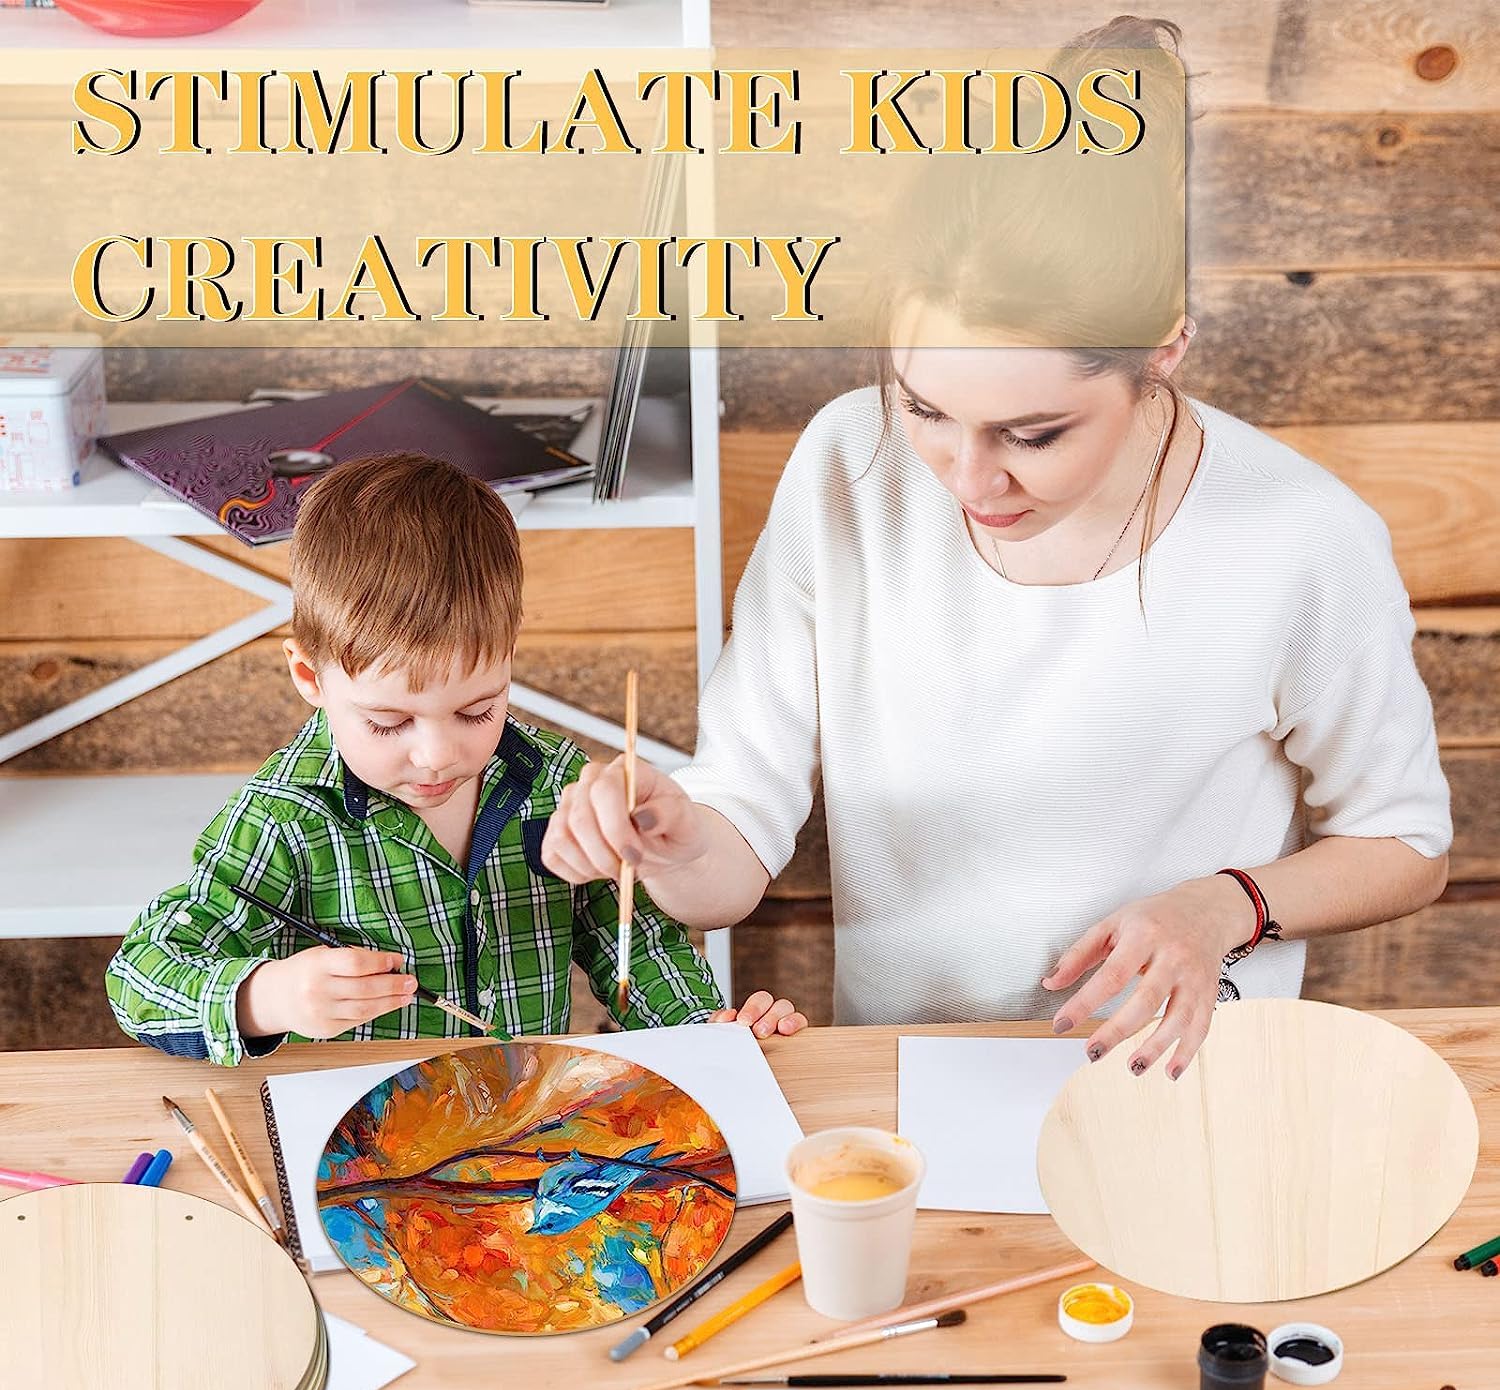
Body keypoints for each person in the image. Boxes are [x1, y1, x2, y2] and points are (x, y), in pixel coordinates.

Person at [539, 20, 1451, 1077]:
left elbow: (1406, 844)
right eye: (924, 407)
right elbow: (731, 852)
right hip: (909, 1083)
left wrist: (1225, 905)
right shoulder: (847, 464)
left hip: (1175, 1091)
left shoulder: (1302, 536)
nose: (967, 482)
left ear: (1165, 344)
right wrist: (670, 837)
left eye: (1033, 435)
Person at [105, 453, 806, 1065]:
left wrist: (699, 1029)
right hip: (368, 1141)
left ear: (508, 659)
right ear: (310, 677)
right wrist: (267, 997)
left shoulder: (554, 783)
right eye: (388, 722)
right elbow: (140, 979)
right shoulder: (285, 821)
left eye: (477, 711)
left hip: (524, 1123)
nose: (438, 756)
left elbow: (634, 942)